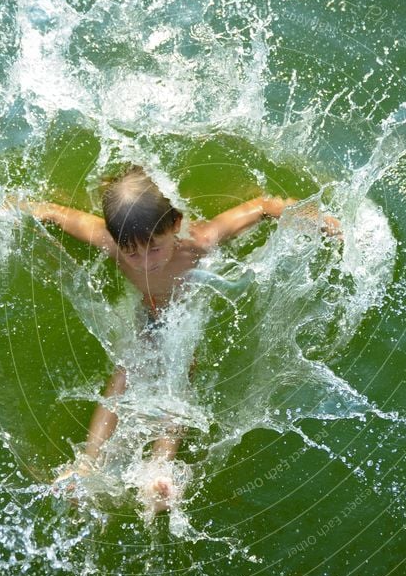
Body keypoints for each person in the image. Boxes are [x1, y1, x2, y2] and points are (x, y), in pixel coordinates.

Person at [18, 166, 341, 514]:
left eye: (154, 250)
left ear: (175, 225)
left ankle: (161, 470)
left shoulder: (198, 244)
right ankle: (87, 462)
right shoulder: (110, 242)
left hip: (187, 312)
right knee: (125, 371)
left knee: (179, 368)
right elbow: (67, 217)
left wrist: (320, 219)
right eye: (132, 253)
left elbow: (262, 206)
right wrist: (38, 210)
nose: (144, 263)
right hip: (149, 313)